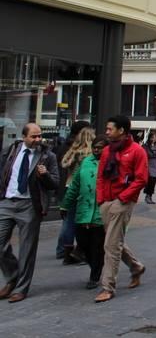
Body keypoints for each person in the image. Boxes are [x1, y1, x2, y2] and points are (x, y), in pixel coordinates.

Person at [0, 123, 59, 302]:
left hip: (29, 205)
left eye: (39, 136)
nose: (38, 140)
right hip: (7, 202)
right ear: (24, 137)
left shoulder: (48, 156)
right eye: (34, 137)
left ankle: (21, 288)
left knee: (27, 249)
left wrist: (45, 175)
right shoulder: (11, 151)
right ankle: (13, 276)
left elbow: (55, 183)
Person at [94, 115, 148, 303]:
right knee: (114, 240)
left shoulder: (137, 151)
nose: (107, 132)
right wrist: (101, 199)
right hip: (107, 201)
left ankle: (107, 287)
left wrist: (123, 198)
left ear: (121, 130)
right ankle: (136, 266)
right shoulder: (107, 151)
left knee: (110, 244)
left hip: (122, 201)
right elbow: (101, 176)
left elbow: (141, 179)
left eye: (110, 129)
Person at [60, 135, 108, 289]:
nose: (96, 149)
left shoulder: (112, 162)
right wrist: (65, 205)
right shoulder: (86, 162)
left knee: (97, 246)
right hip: (84, 210)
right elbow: (74, 185)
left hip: (101, 212)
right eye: (94, 146)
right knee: (82, 242)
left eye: (100, 147)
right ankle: (95, 265)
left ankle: (95, 275)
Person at [58, 126, 95, 265]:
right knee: (83, 222)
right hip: (82, 189)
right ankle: (80, 252)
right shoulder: (89, 155)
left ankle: (63, 250)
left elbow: (64, 165)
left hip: (69, 186)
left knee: (68, 221)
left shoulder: (73, 151)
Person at [141, 131, 156, 205]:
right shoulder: (146, 145)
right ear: (149, 138)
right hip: (149, 163)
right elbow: (147, 154)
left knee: (154, 180)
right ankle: (147, 195)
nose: (153, 139)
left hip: (155, 164)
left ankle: (150, 196)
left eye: (155, 137)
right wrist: (155, 154)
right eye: (152, 137)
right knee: (150, 179)